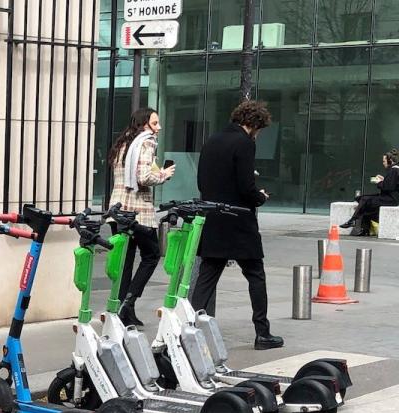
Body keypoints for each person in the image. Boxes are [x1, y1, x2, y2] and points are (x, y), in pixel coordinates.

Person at [191, 100, 283, 351]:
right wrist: (260, 197)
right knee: (255, 274)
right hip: (239, 219)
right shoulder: (244, 143)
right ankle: (262, 333)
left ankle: (187, 329)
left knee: (207, 276)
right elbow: (246, 186)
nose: (258, 133)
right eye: (259, 129)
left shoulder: (212, 140)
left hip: (213, 216)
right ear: (253, 124)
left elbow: (202, 181)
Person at [107, 107, 175, 326]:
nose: (159, 128)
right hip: (138, 212)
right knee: (152, 255)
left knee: (125, 261)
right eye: (154, 123)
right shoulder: (146, 143)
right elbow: (144, 177)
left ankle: (122, 309)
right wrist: (163, 175)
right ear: (143, 124)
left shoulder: (123, 145)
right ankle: (129, 301)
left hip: (117, 209)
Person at [339, 150, 399, 236]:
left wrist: (378, 182)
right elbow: (391, 184)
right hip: (389, 197)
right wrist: (383, 180)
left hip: (390, 199)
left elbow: (388, 187)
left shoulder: (394, 170)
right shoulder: (394, 170)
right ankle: (364, 229)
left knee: (365, 200)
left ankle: (353, 220)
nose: (383, 163)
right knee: (361, 198)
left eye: (384, 161)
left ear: (390, 160)